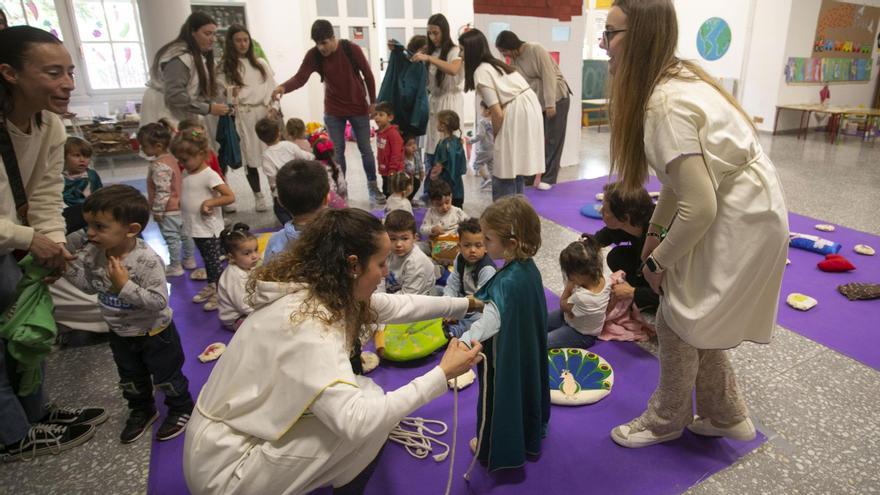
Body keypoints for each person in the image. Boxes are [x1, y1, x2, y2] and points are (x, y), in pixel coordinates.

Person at [183, 207, 483, 494]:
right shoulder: (310, 330)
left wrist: (466, 303)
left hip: (222, 440)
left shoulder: (316, 287)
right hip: (225, 472)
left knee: (365, 390)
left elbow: (397, 305)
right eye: (380, 264)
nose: (383, 274)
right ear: (353, 265)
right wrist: (442, 374)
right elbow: (359, 422)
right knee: (370, 422)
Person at [601, 0, 788, 448]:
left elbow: (699, 206)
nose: (603, 44)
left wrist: (659, 260)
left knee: (678, 317)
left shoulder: (664, 104)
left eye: (611, 34)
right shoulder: (674, 80)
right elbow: (676, 182)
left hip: (736, 215)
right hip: (746, 206)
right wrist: (653, 236)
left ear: (641, 37)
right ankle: (727, 415)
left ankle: (666, 419)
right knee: (689, 316)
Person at [0, 25, 106, 462]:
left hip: (11, 241)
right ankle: (11, 434)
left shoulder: (49, 126)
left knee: (28, 325)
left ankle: (35, 413)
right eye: (52, 72)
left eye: (70, 71)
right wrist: (29, 239)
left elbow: (44, 193)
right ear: (9, 73)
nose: (68, 84)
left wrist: (53, 244)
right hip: (9, 237)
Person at [64, 185, 194, 443]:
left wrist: (124, 287)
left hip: (155, 334)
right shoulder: (93, 253)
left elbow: (158, 301)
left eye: (99, 227)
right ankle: (142, 409)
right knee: (130, 378)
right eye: (88, 225)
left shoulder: (146, 260)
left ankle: (181, 408)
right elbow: (90, 287)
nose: (90, 234)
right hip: (120, 333)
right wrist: (65, 267)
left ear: (131, 230)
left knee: (167, 376)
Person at [459, 195, 549, 471]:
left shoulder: (506, 284)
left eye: (487, 240)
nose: (483, 246)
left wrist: (463, 342)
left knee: (497, 400)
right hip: (527, 353)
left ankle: (491, 447)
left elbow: (488, 324)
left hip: (504, 361)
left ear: (510, 244)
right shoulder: (529, 270)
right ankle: (527, 436)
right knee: (526, 388)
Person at [273, 19, 385, 204]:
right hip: (333, 110)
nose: (321, 47)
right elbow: (301, 78)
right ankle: (341, 189)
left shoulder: (351, 49)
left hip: (358, 107)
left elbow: (368, 75)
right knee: (337, 153)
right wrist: (283, 88)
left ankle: (373, 187)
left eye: (324, 42)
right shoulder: (314, 55)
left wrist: (372, 102)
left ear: (333, 38)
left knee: (366, 149)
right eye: (317, 43)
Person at [459, 29, 544, 201]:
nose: (460, 55)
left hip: (517, 109)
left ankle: (502, 217)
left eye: (462, 50)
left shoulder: (481, 71)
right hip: (528, 106)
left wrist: (496, 137)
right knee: (515, 165)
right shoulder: (495, 64)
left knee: (503, 166)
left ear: (471, 50)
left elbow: (496, 112)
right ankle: (518, 214)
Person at [495, 30, 572, 190]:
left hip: (557, 97)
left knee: (553, 140)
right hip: (538, 100)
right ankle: (529, 175)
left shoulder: (535, 49)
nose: (504, 54)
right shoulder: (514, 60)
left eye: (504, 50)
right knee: (535, 138)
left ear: (512, 45)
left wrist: (550, 104)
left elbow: (549, 75)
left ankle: (549, 179)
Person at [171, 129, 235, 312]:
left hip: (208, 228)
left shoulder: (209, 174)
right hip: (195, 227)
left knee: (214, 262)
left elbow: (229, 196)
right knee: (207, 261)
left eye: (184, 160)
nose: (181, 164)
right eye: (179, 160)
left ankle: (221, 292)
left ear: (201, 154)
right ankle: (212, 284)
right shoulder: (187, 173)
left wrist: (211, 202)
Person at [217, 24, 277, 213]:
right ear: (231, 42)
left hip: (262, 114)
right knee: (249, 158)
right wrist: (229, 93)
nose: (243, 44)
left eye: (245, 40)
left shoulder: (260, 63)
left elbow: (272, 88)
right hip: (242, 115)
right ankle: (258, 195)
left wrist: (273, 107)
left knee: (270, 154)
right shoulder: (225, 66)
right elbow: (219, 91)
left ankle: (275, 193)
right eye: (238, 40)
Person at [140, 12, 230, 128]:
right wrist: (208, 108)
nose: (213, 39)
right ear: (192, 32)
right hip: (163, 108)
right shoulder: (179, 57)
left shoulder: (198, 56)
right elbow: (175, 95)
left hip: (179, 109)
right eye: (208, 34)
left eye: (214, 34)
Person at [138, 121, 196, 277]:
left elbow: (163, 190)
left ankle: (176, 266)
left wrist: (157, 210)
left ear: (157, 146)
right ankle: (190, 259)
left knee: (172, 238)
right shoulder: (172, 159)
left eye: (144, 146)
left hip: (169, 209)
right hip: (181, 205)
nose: (142, 149)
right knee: (185, 234)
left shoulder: (159, 166)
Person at [411, 14, 464, 176]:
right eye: (429, 33)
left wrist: (429, 58)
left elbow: (453, 69)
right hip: (434, 100)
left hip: (449, 101)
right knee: (432, 144)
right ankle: (432, 186)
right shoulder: (431, 51)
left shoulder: (455, 51)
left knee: (447, 145)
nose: (432, 37)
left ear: (445, 32)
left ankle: (449, 186)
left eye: (436, 33)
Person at [595, 182, 659, 313]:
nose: (600, 211)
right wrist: (587, 243)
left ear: (625, 217)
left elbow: (677, 293)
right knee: (616, 256)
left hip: (678, 288)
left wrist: (634, 292)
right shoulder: (635, 221)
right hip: (647, 264)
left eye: (605, 210)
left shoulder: (660, 238)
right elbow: (608, 234)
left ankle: (649, 300)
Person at [548, 236, 610, 350]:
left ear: (577, 274)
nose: (569, 277)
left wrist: (569, 287)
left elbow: (562, 304)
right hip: (570, 317)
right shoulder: (605, 278)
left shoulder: (581, 297)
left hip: (581, 334)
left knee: (544, 341)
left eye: (569, 275)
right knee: (539, 320)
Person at [262, 159, 330, 263]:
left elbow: (265, 276)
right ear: (326, 199)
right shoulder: (346, 236)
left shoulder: (275, 242)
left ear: (280, 202)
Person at [443, 218, 496, 338]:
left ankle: (455, 332)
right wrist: (447, 306)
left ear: (486, 247)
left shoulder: (487, 268)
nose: (472, 250)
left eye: (478, 246)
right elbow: (453, 284)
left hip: (479, 307)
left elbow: (481, 300)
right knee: (437, 291)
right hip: (462, 299)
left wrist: (457, 310)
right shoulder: (459, 258)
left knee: (481, 321)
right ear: (459, 246)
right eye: (467, 245)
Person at [255, 117, 314, 225]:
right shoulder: (289, 145)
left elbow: (271, 176)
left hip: (282, 191)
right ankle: (304, 223)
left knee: (280, 210)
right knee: (301, 208)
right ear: (279, 132)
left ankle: (290, 226)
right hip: (299, 184)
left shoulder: (266, 155)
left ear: (260, 138)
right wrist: (313, 155)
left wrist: (274, 189)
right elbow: (305, 156)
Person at [216, 223, 260, 331]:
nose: (254, 256)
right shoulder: (234, 277)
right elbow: (243, 306)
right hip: (237, 318)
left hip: (250, 307)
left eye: (256, 250)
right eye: (247, 253)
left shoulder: (247, 266)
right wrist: (265, 311)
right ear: (232, 257)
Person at [382, 209, 435, 296]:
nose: (398, 244)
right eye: (393, 239)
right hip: (392, 296)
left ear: (415, 238)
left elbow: (407, 298)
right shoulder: (387, 252)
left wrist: (381, 301)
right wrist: (378, 296)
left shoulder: (416, 262)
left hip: (415, 301)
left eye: (405, 238)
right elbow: (380, 279)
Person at [61, 137, 103, 234]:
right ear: (64, 156)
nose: (82, 160)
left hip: (89, 211)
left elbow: (99, 195)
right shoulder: (59, 177)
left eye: (86, 156)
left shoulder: (91, 175)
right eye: (77, 155)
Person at [419, 181, 468, 262]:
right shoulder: (430, 213)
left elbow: (469, 223)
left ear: (451, 196)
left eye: (447, 202)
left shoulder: (457, 212)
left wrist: (461, 231)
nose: (444, 207)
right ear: (432, 203)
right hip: (436, 246)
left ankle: (445, 262)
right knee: (416, 247)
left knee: (463, 251)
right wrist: (432, 229)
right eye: (439, 204)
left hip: (454, 246)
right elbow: (422, 229)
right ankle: (436, 262)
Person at [431, 109, 466, 208]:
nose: (436, 124)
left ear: (443, 125)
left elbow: (443, 165)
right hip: (456, 186)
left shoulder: (445, 144)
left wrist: (435, 175)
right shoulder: (454, 141)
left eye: (438, 122)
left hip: (448, 185)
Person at [374, 101, 405, 198]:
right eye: (376, 114)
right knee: (386, 190)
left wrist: (393, 169)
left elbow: (396, 153)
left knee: (393, 192)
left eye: (381, 115)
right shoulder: (380, 132)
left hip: (392, 171)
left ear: (390, 118)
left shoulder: (393, 134)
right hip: (384, 169)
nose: (377, 117)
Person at [310, 133, 348, 209]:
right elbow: (342, 187)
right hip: (336, 205)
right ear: (333, 152)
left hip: (318, 207)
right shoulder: (336, 167)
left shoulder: (311, 167)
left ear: (314, 153)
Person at [468, 101, 494, 190]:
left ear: (488, 110)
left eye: (481, 108)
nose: (480, 111)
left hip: (485, 148)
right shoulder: (496, 120)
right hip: (494, 148)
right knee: (491, 166)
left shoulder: (483, 122)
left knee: (477, 164)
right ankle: (493, 182)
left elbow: (480, 135)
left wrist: (471, 140)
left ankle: (487, 178)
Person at [402, 134, 424, 202]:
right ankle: (404, 199)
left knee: (417, 183)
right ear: (403, 147)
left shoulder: (416, 154)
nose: (413, 146)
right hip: (406, 179)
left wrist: (421, 172)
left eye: (414, 143)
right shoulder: (402, 158)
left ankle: (409, 199)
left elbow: (420, 164)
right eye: (409, 145)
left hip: (413, 178)